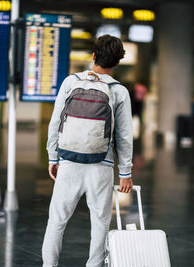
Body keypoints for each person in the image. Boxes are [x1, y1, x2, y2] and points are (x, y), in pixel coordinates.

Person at [42, 35, 133, 267]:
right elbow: (123, 136)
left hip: (68, 161)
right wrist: (125, 172)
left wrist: (53, 157)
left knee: (57, 221)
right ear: (117, 63)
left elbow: (55, 123)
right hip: (100, 166)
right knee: (100, 222)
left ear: (93, 56)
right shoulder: (119, 91)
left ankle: (48, 265)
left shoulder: (70, 82)